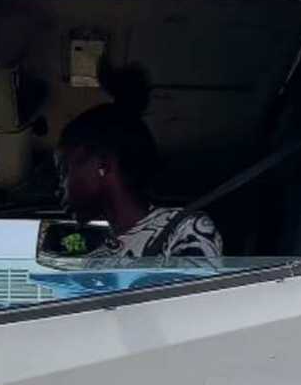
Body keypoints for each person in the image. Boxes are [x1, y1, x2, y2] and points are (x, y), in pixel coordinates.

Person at [57, 61, 224, 261]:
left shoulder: (184, 228)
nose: (60, 188)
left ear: (103, 164)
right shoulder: (96, 260)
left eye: (65, 171)